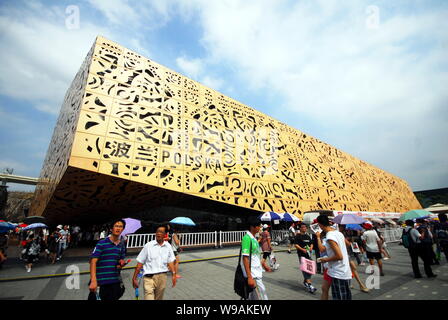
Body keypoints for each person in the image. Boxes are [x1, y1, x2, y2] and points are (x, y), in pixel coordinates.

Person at [132, 225, 177, 300]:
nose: (159, 233)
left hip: (162, 277)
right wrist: (134, 278)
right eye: (157, 231)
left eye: (161, 232)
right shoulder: (148, 246)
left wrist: (174, 274)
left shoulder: (168, 246)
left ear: (165, 234)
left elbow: (170, 261)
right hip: (149, 278)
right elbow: (140, 263)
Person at [89, 219, 128, 300]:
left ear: (123, 229)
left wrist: (121, 263)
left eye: (120, 227)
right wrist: (93, 280)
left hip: (114, 281)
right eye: (116, 226)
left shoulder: (121, 245)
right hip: (101, 281)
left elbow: (119, 263)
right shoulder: (102, 243)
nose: (118, 228)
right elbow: (93, 261)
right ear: (111, 229)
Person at [316, 215, 352, 300]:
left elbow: (339, 256)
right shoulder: (338, 233)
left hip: (338, 273)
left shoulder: (330, 236)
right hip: (344, 270)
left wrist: (326, 259)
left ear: (320, 225)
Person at [241, 216, 271, 300]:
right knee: (260, 296)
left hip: (257, 273)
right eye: (258, 226)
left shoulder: (254, 238)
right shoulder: (247, 238)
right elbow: (245, 258)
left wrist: (263, 265)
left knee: (257, 296)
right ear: (252, 227)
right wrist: (249, 277)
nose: (260, 228)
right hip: (253, 275)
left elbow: (255, 256)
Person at [339, 225, 369, 293]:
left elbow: (349, 244)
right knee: (349, 269)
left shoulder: (345, 233)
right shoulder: (339, 234)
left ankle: (359, 285)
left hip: (347, 254)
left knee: (352, 268)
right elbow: (347, 244)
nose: (344, 227)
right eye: (343, 226)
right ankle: (360, 285)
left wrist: (351, 239)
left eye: (344, 226)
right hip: (342, 254)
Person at [294, 223, 317, 293]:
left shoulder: (307, 236)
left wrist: (311, 248)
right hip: (302, 255)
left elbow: (311, 243)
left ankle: (305, 281)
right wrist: (302, 249)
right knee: (305, 270)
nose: (304, 228)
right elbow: (296, 245)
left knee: (311, 269)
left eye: (305, 227)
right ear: (300, 228)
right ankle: (310, 285)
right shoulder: (298, 236)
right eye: (303, 227)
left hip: (308, 255)